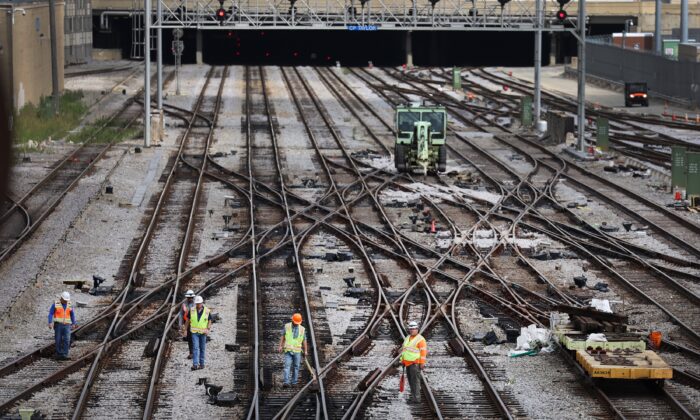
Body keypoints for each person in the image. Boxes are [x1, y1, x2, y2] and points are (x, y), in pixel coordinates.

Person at [399, 320, 427, 402]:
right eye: (411, 329)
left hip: (415, 363)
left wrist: (422, 363)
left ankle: (417, 399)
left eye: (414, 329)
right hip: (407, 363)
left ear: (417, 329)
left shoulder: (420, 339)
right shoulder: (407, 338)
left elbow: (423, 352)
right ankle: (414, 397)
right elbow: (404, 350)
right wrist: (402, 360)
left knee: (415, 382)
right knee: (411, 382)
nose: (412, 330)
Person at [278, 313, 307, 387]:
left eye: (298, 323)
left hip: (297, 351)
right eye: (295, 322)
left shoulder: (302, 329)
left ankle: (294, 382)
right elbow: (283, 337)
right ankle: (286, 382)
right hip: (288, 350)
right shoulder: (287, 326)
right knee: (287, 366)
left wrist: (305, 350)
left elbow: (304, 340)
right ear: (292, 320)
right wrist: (280, 346)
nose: (296, 324)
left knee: (296, 366)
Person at [48, 291, 77, 360]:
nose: (66, 301)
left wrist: (74, 323)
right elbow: (51, 313)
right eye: (64, 300)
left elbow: (72, 314)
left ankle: (65, 354)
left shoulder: (69, 304)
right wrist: (50, 322)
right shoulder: (56, 304)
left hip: (67, 325)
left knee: (67, 339)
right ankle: (59, 354)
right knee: (58, 339)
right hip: (58, 325)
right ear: (61, 298)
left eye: (67, 300)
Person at [190, 295, 211, 370]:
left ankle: (201, 364)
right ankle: (195, 364)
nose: (198, 305)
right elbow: (188, 320)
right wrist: (185, 329)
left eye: (199, 303)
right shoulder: (192, 310)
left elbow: (209, 320)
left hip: (203, 333)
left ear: (202, 303)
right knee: (195, 348)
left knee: (202, 348)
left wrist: (208, 329)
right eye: (197, 304)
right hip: (194, 332)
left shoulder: (207, 311)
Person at [179, 290, 196, 359]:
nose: (190, 299)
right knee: (189, 339)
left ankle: (196, 352)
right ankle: (191, 353)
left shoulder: (196, 303)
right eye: (189, 298)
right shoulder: (184, 304)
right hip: (187, 324)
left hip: (195, 324)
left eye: (191, 297)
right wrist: (180, 325)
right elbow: (181, 315)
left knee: (195, 338)